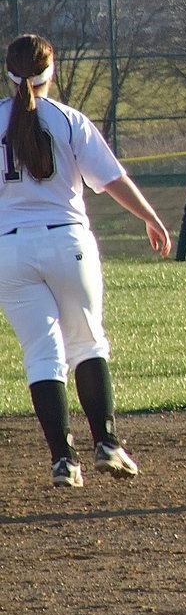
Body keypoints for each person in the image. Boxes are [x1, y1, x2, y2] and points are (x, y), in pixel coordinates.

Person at [0, 33, 173, 487]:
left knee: (43, 356)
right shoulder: (69, 120)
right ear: (49, 74)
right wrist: (151, 217)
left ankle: (63, 460)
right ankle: (108, 444)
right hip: (68, 242)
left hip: (10, 251)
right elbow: (111, 179)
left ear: (9, 73)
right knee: (87, 344)